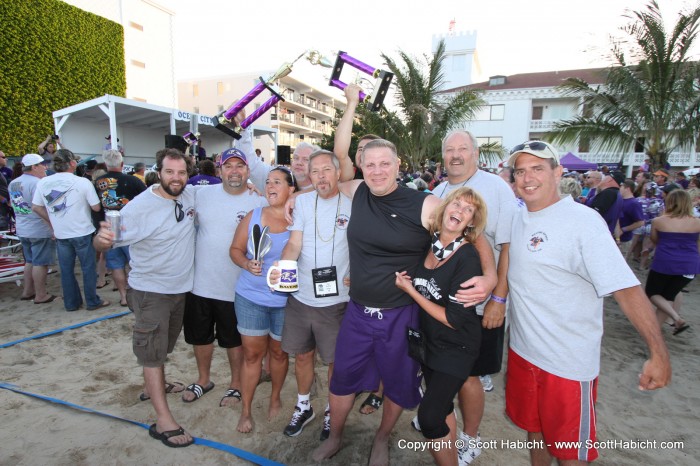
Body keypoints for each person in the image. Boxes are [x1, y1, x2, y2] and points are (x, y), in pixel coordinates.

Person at [312, 139, 496, 466]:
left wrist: (491, 277)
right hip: (358, 310)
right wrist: (291, 198)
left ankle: (381, 439)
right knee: (341, 379)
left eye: (385, 164)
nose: (378, 171)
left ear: (398, 166)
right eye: (370, 164)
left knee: (397, 383)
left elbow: (469, 232)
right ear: (361, 167)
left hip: (401, 314)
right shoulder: (359, 192)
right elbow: (332, 171)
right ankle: (336, 437)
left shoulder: (423, 204)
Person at [506, 141, 671, 464]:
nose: (528, 178)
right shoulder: (519, 217)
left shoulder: (583, 222)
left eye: (537, 169)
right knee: (535, 430)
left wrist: (658, 354)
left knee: (571, 453)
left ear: (558, 172)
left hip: (566, 365)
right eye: (520, 171)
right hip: (524, 352)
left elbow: (627, 289)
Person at [93, 148, 197, 448]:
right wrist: (101, 239)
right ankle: (163, 421)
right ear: (158, 172)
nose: (176, 178)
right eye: (170, 172)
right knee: (151, 354)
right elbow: (107, 238)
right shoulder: (139, 208)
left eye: (181, 173)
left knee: (162, 348)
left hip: (180, 290)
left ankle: (156, 386)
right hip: (151, 292)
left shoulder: (188, 196)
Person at [428, 129, 516, 465]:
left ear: (475, 153)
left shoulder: (496, 188)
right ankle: (440, 416)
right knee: (440, 365)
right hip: (441, 302)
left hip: (479, 305)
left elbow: (507, 246)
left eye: (462, 148)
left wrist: (499, 297)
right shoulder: (438, 190)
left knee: (470, 374)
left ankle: (471, 438)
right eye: (449, 149)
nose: (455, 155)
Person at [394, 187, 487, 466]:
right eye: (455, 204)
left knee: (429, 416)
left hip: (456, 345)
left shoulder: (467, 257)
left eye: (467, 209)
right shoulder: (430, 244)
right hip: (429, 342)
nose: (458, 210)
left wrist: (411, 291)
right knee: (443, 406)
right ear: (444, 208)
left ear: (471, 221)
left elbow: (453, 318)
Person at [272, 150, 352, 441]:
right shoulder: (302, 202)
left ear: (338, 172)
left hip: (337, 300)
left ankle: (332, 410)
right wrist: (284, 265)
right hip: (301, 296)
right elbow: (294, 243)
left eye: (326, 170)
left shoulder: (354, 205)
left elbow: (362, 247)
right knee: (302, 356)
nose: (320, 176)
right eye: (314, 171)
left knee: (334, 361)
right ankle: (304, 405)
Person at [181, 148, 266, 407]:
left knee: (233, 341)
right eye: (228, 166)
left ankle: (235, 384)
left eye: (240, 166)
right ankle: (203, 379)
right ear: (219, 171)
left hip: (237, 287)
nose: (234, 171)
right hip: (201, 284)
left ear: (248, 171)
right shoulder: (201, 194)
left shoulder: (258, 201)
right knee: (200, 337)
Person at [229, 167, 297, 434]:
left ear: (291, 189)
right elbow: (234, 249)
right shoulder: (254, 216)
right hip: (251, 297)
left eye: (278, 182)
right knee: (252, 355)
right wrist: (246, 263)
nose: (270, 186)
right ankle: (245, 410)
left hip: (287, 302)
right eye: (268, 182)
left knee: (279, 354)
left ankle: (275, 397)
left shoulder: (300, 218)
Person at [32, 149, 108, 312]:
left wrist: (51, 222)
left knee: (66, 270)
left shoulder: (43, 182)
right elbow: (95, 207)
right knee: (88, 268)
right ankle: (92, 301)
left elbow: (36, 207)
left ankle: (71, 303)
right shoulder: (82, 182)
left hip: (61, 233)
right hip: (82, 231)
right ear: (72, 163)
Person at [94, 149, 146, 307]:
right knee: (136, 264)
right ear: (122, 164)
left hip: (109, 228)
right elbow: (147, 202)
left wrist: (98, 227)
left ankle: (123, 297)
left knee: (116, 264)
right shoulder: (133, 181)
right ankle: (136, 294)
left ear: (106, 164)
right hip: (131, 228)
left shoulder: (97, 182)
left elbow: (94, 207)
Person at [645, 189, 700, 336]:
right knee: (668, 296)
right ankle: (654, 332)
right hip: (689, 264)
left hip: (665, 262)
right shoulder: (697, 222)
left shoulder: (659, 221)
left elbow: (655, 240)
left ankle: (676, 317)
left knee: (652, 292)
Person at [8, 154, 55, 303]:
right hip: (38, 228)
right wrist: (52, 226)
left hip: (22, 227)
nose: (45, 167)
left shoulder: (13, 183)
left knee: (29, 261)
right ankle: (41, 295)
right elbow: (40, 207)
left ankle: (28, 291)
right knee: (40, 262)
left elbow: (12, 203)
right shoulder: (37, 183)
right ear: (34, 167)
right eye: (42, 164)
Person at [589, 171, 624, 235]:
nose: (602, 179)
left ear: (609, 180)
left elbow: (593, 215)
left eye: (604, 177)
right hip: (605, 233)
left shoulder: (608, 193)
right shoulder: (617, 194)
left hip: (597, 233)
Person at [616, 179, 644, 253]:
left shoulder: (634, 203)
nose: (619, 189)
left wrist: (623, 229)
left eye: (621, 187)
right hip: (615, 238)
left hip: (624, 240)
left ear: (627, 188)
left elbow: (640, 222)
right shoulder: (619, 200)